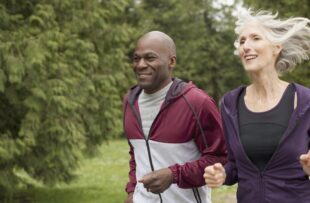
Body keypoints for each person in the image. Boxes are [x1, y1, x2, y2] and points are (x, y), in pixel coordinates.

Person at [203, 9, 310, 203]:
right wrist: (221, 174)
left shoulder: (305, 101)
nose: (246, 46)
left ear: (276, 47)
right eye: (242, 41)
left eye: (255, 38)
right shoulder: (230, 103)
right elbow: (234, 165)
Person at [123, 31, 227, 203]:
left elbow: (220, 157)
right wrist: (131, 191)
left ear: (171, 61)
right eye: (136, 58)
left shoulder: (196, 102)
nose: (140, 65)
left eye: (150, 58)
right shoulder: (130, 101)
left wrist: (174, 175)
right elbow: (136, 153)